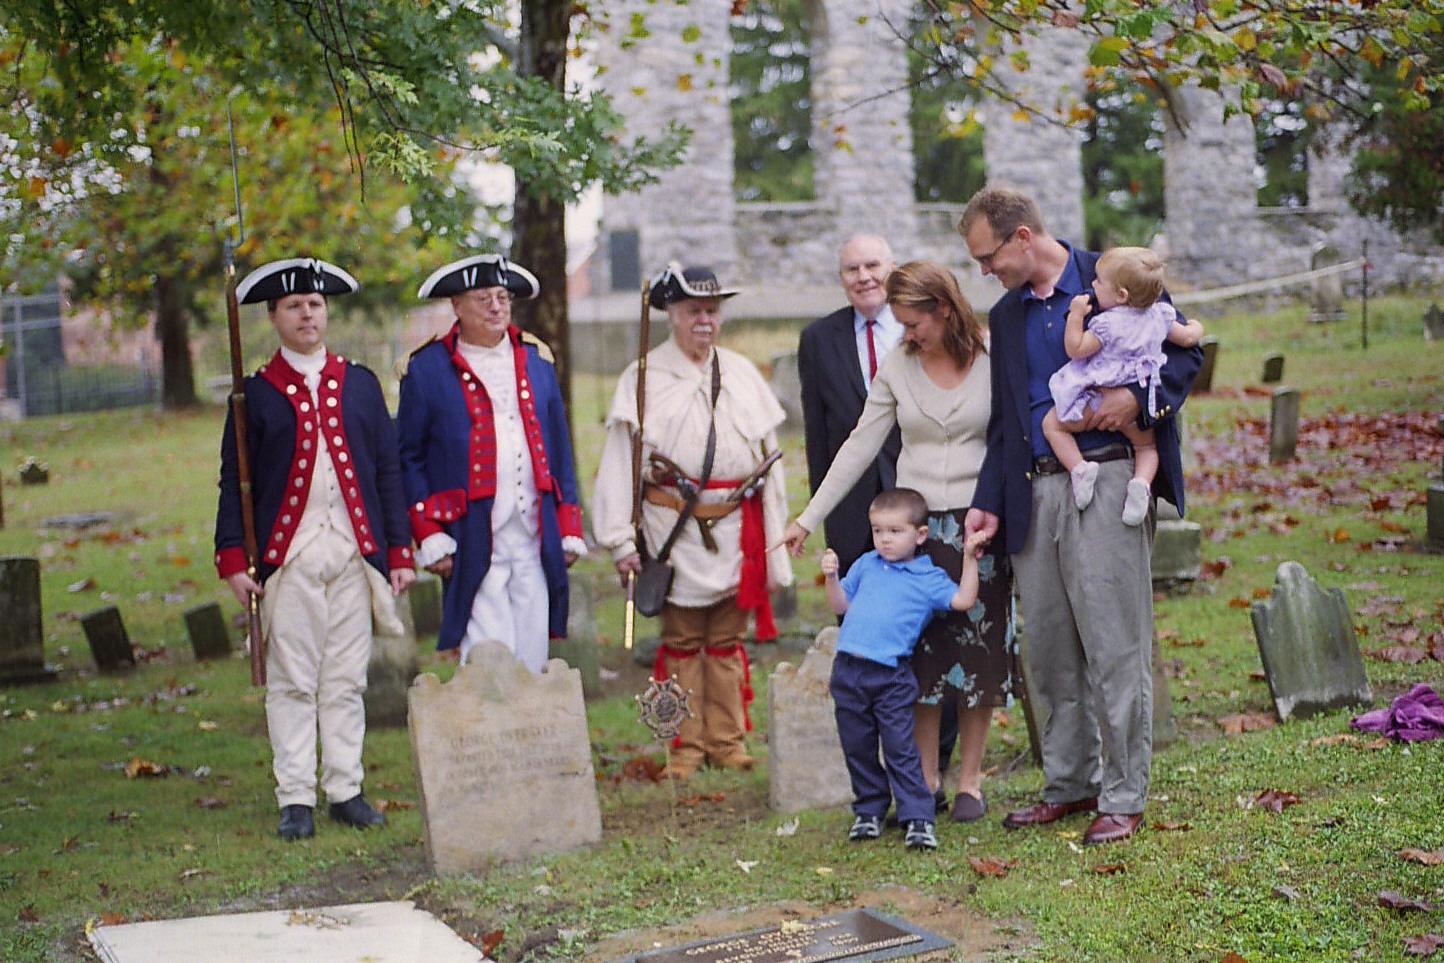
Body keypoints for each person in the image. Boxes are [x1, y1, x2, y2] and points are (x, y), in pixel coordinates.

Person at [957, 185, 1202, 846]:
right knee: (1051, 650)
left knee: (1114, 643)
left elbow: (1185, 353)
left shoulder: (1115, 275)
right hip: (1033, 490)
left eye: (988, 257)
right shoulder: (1007, 318)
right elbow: (1008, 418)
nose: (985, 271)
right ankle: (1070, 782)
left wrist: (1135, 402)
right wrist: (987, 502)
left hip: (1110, 474)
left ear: (1022, 239)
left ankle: (1124, 794)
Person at [782, 261, 1016, 825]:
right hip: (917, 528)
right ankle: (927, 778)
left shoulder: (991, 358)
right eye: (900, 323)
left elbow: (1012, 437)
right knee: (924, 658)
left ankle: (971, 781)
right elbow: (861, 444)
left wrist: (1006, 508)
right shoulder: (899, 366)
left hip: (980, 523)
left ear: (944, 309)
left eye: (914, 322)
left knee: (980, 657)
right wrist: (807, 517)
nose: (906, 334)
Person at [215, 257, 416, 841]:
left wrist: (398, 551)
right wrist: (233, 557)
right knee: (294, 680)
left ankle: (345, 789)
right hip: (290, 558)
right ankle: (296, 795)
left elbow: (386, 471)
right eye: (295, 305)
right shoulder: (253, 395)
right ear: (274, 317)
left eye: (316, 304)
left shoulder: (359, 384)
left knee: (346, 679)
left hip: (353, 554)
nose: (308, 313)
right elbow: (236, 482)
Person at [592, 262, 793, 779]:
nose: (704, 320)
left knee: (727, 642)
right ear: (671, 315)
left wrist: (777, 528)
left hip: (736, 531)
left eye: (711, 311)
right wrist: (619, 540)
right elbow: (620, 465)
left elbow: (771, 461)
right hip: (671, 533)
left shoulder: (742, 373)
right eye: (692, 311)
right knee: (681, 643)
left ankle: (726, 741)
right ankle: (684, 747)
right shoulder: (641, 380)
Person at [397, 254, 586, 671]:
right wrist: (428, 533)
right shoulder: (426, 370)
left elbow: (560, 451)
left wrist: (569, 525)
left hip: (532, 533)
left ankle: (533, 734)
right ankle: (489, 735)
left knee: (534, 654)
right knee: (487, 659)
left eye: (502, 297)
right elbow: (407, 459)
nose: (496, 307)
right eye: (483, 298)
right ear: (457, 307)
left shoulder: (537, 361)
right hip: (471, 534)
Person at [823, 487, 989, 852]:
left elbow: (963, 600)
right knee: (858, 745)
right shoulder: (867, 564)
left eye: (895, 532)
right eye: (878, 530)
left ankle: (919, 817)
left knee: (901, 748)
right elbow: (842, 605)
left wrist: (970, 558)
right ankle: (869, 810)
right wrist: (832, 578)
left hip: (890, 675)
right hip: (849, 669)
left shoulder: (926, 577)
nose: (884, 539)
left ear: (920, 535)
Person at [1041, 246, 1205, 524]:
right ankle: (1140, 485)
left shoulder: (1107, 324)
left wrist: (1076, 316)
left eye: (1099, 282)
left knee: (1052, 425)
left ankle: (1079, 470)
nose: (1093, 285)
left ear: (1121, 295)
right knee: (1147, 448)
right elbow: (1188, 338)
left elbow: (1076, 349)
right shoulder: (1161, 316)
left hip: (1096, 398)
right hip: (1138, 399)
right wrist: (1197, 326)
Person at [797, 234, 903, 576]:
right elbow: (817, 434)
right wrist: (823, 510)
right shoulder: (818, 339)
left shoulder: (917, 328)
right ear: (841, 278)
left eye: (872, 265)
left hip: (913, 492)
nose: (863, 277)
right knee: (857, 613)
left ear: (893, 268)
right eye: (852, 269)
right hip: (850, 510)